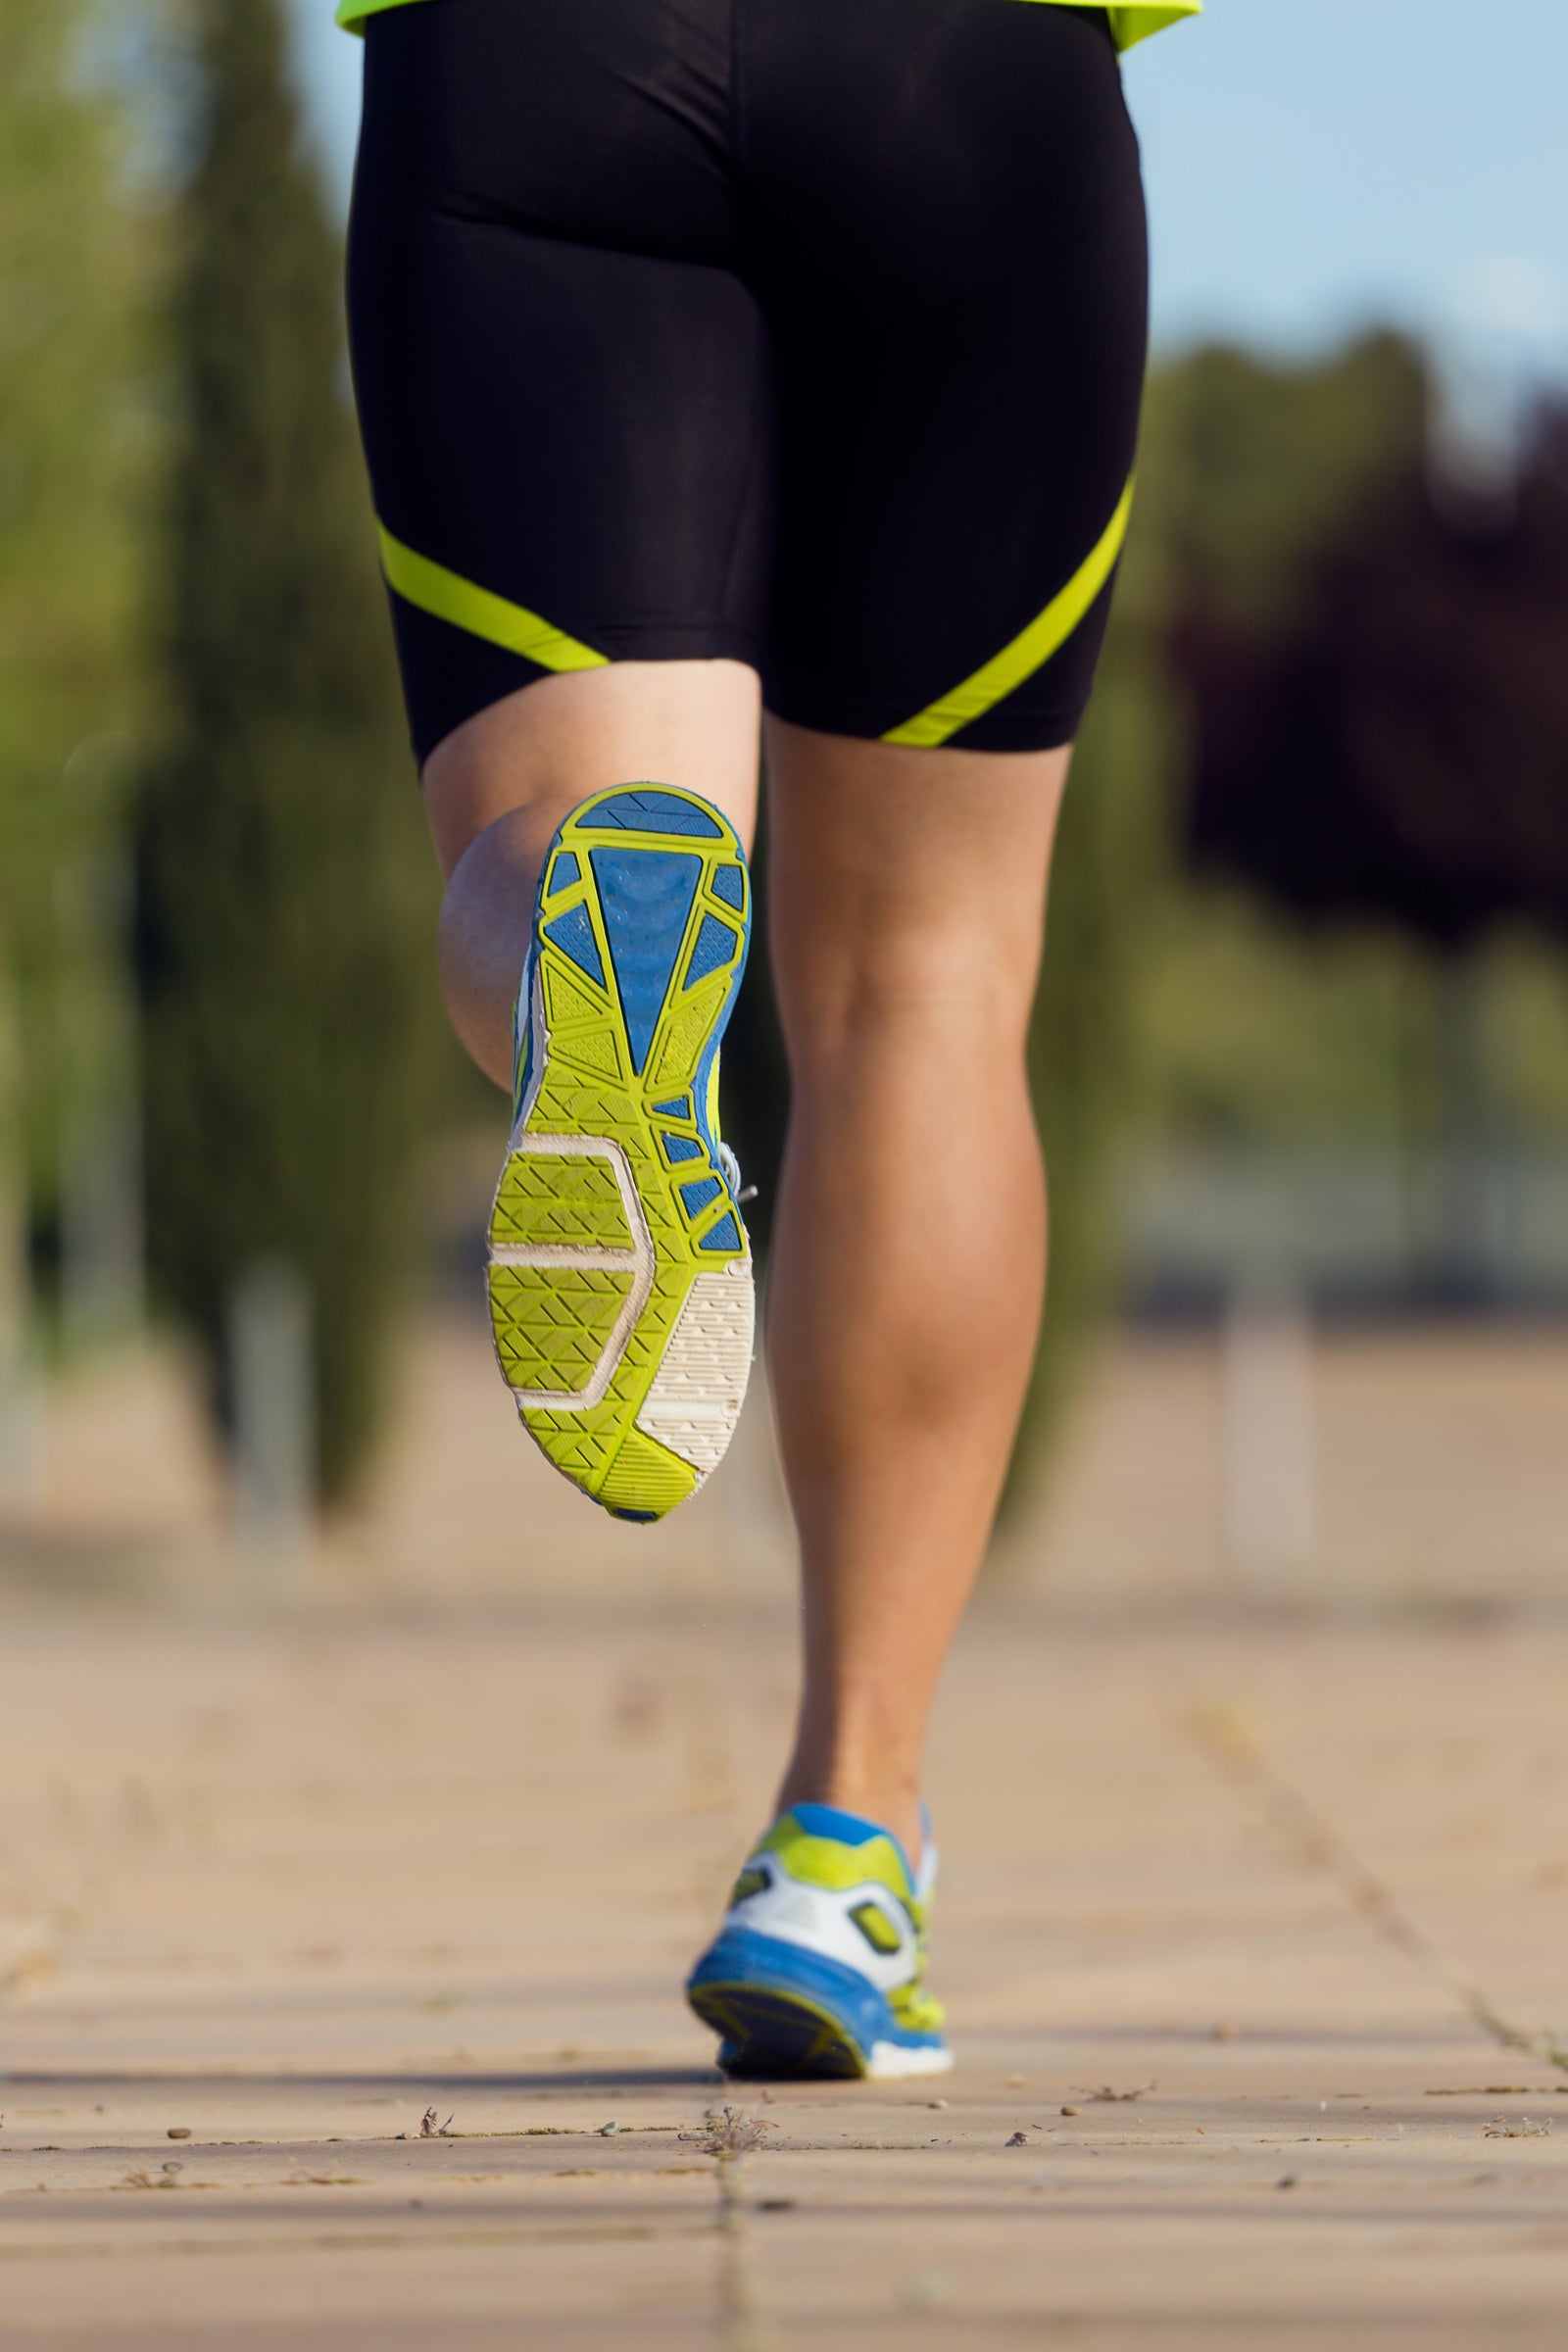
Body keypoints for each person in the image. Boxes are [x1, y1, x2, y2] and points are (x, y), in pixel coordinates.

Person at [341, 0, 1197, 2080]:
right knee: (922, 975)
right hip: (970, 85)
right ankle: (840, 1848)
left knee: (559, 832)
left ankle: (578, 952)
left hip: (531, 78)